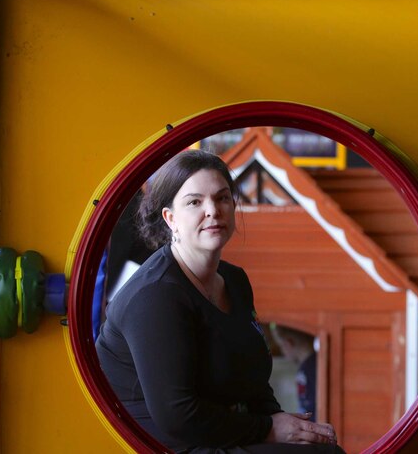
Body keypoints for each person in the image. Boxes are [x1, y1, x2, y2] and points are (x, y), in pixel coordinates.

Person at [96, 150, 344, 454]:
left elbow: (252, 376)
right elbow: (177, 415)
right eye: (194, 202)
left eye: (222, 198)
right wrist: (268, 429)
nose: (212, 210)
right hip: (165, 446)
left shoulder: (235, 280)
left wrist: (281, 422)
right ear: (170, 218)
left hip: (215, 431)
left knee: (321, 446)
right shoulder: (155, 296)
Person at [271, 325, 318, 421]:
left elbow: (310, 408)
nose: (283, 352)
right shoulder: (314, 363)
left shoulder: (306, 370)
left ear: (288, 344)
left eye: (281, 346)